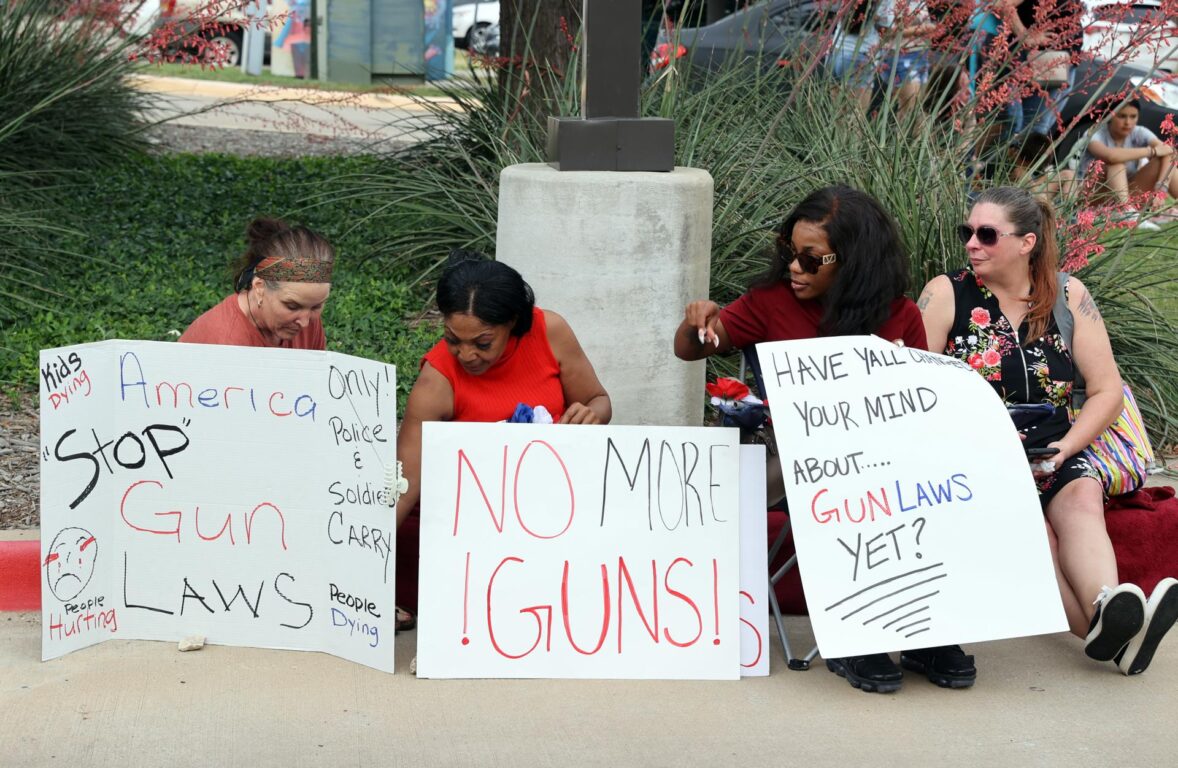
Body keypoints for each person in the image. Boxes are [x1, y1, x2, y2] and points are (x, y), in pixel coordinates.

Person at [674, 184, 976, 694]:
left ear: (854, 261)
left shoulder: (898, 313)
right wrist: (695, 323)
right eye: (790, 253)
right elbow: (694, 349)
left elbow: (919, 406)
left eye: (812, 260)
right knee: (851, 486)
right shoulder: (768, 304)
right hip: (792, 459)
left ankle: (925, 627)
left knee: (934, 480)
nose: (795, 268)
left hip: (880, 457)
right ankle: (857, 631)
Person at [917, 185, 1178, 675]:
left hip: (1053, 448)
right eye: (967, 232)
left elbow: (1106, 390)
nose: (972, 243)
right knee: (1031, 528)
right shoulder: (945, 293)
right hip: (976, 460)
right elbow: (917, 392)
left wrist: (1064, 449)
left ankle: (1108, 605)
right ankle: (1114, 629)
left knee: (1081, 497)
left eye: (987, 234)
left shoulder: (1068, 295)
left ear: (1026, 242)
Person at [395, 251, 612, 527]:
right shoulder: (436, 381)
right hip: (468, 525)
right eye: (452, 339)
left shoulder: (550, 333)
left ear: (511, 321)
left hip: (555, 511)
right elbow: (404, 488)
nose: (465, 355)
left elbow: (599, 400)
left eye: (482, 343)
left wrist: (590, 414)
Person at [180, 217, 332, 349]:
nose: (305, 323)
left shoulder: (305, 313)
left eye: (316, 307)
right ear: (259, 287)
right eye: (292, 306)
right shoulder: (227, 343)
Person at [1079, 100, 1176, 226]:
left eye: (1133, 117)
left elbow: (1170, 152)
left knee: (1163, 159)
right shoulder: (1095, 133)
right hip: (1093, 198)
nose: (1128, 122)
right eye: (1122, 116)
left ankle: (1130, 211)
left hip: (1128, 194)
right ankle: (1125, 212)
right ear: (1110, 115)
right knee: (1116, 164)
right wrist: (1152, 151)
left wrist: (1161, 189)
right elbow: (1111, 156)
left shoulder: (1139, 131)